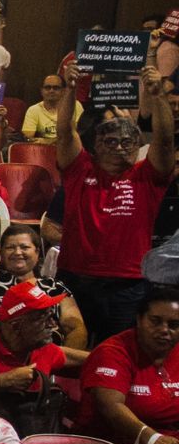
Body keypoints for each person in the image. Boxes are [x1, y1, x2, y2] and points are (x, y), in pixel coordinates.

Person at [54, 63, 175, 342]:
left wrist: (156, 95)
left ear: (137, 146)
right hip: (74, 278)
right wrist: (70, 89)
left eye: (126, 141)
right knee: (69, 352)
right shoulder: (79, 169)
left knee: (116, 353)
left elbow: (166, 141)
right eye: (110, 141)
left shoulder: (147, 177)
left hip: (127, 284)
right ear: (95, 146)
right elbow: (64, 133)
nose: (118, 147)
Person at [0, 164, 88, 345]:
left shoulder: (54, 287)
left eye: (24, 247)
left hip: (41, 361)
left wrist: (57, 363)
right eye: (10, 248)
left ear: (37, 253)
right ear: (1, 254)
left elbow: (75, 327)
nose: (18, 252)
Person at [79, 286, 179, 444]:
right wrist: (154, 439)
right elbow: (110, 406)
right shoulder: (112, 352)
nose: (165, 330)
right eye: (155, 321)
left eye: (174, 325)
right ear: (139, 319)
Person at [0, 281, 85, 399]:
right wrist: (2, 381)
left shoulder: (42, 347)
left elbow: (91, 357)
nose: (53, 325)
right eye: (44, 318)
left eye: (51, 316)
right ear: (16, 326)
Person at [21, 73, 80, 144]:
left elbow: (79, 135)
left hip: (69, 148)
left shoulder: (75, 105)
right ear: (41, 91)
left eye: (56, 88)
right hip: (43, 150)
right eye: (47, 87)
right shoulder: (33, 110)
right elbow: (28, 138)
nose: (51, 91)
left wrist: (49, 141)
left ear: (63, 91)